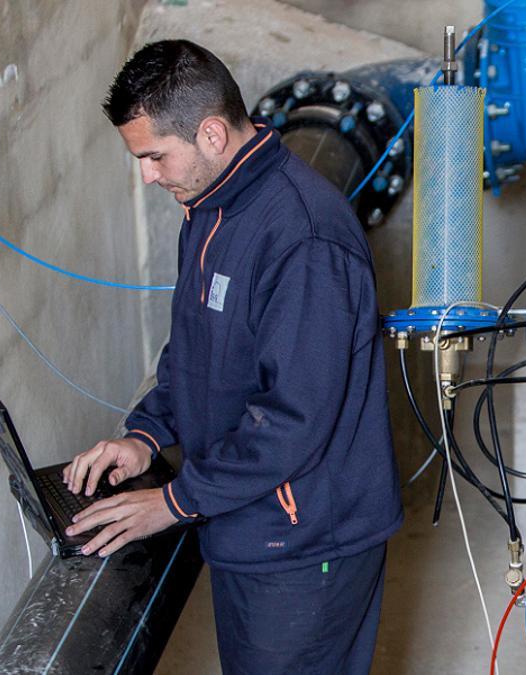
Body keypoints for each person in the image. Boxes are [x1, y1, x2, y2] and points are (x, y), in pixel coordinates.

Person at [60, 40, 401, 673]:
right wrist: (145, 434)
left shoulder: (303, 238)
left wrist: (170, 503)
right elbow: (196, 352)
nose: (148, 175)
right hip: (249, 524)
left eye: (155, 156)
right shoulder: (209, 209)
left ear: (212, 133)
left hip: (306, 544)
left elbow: (294, 418)